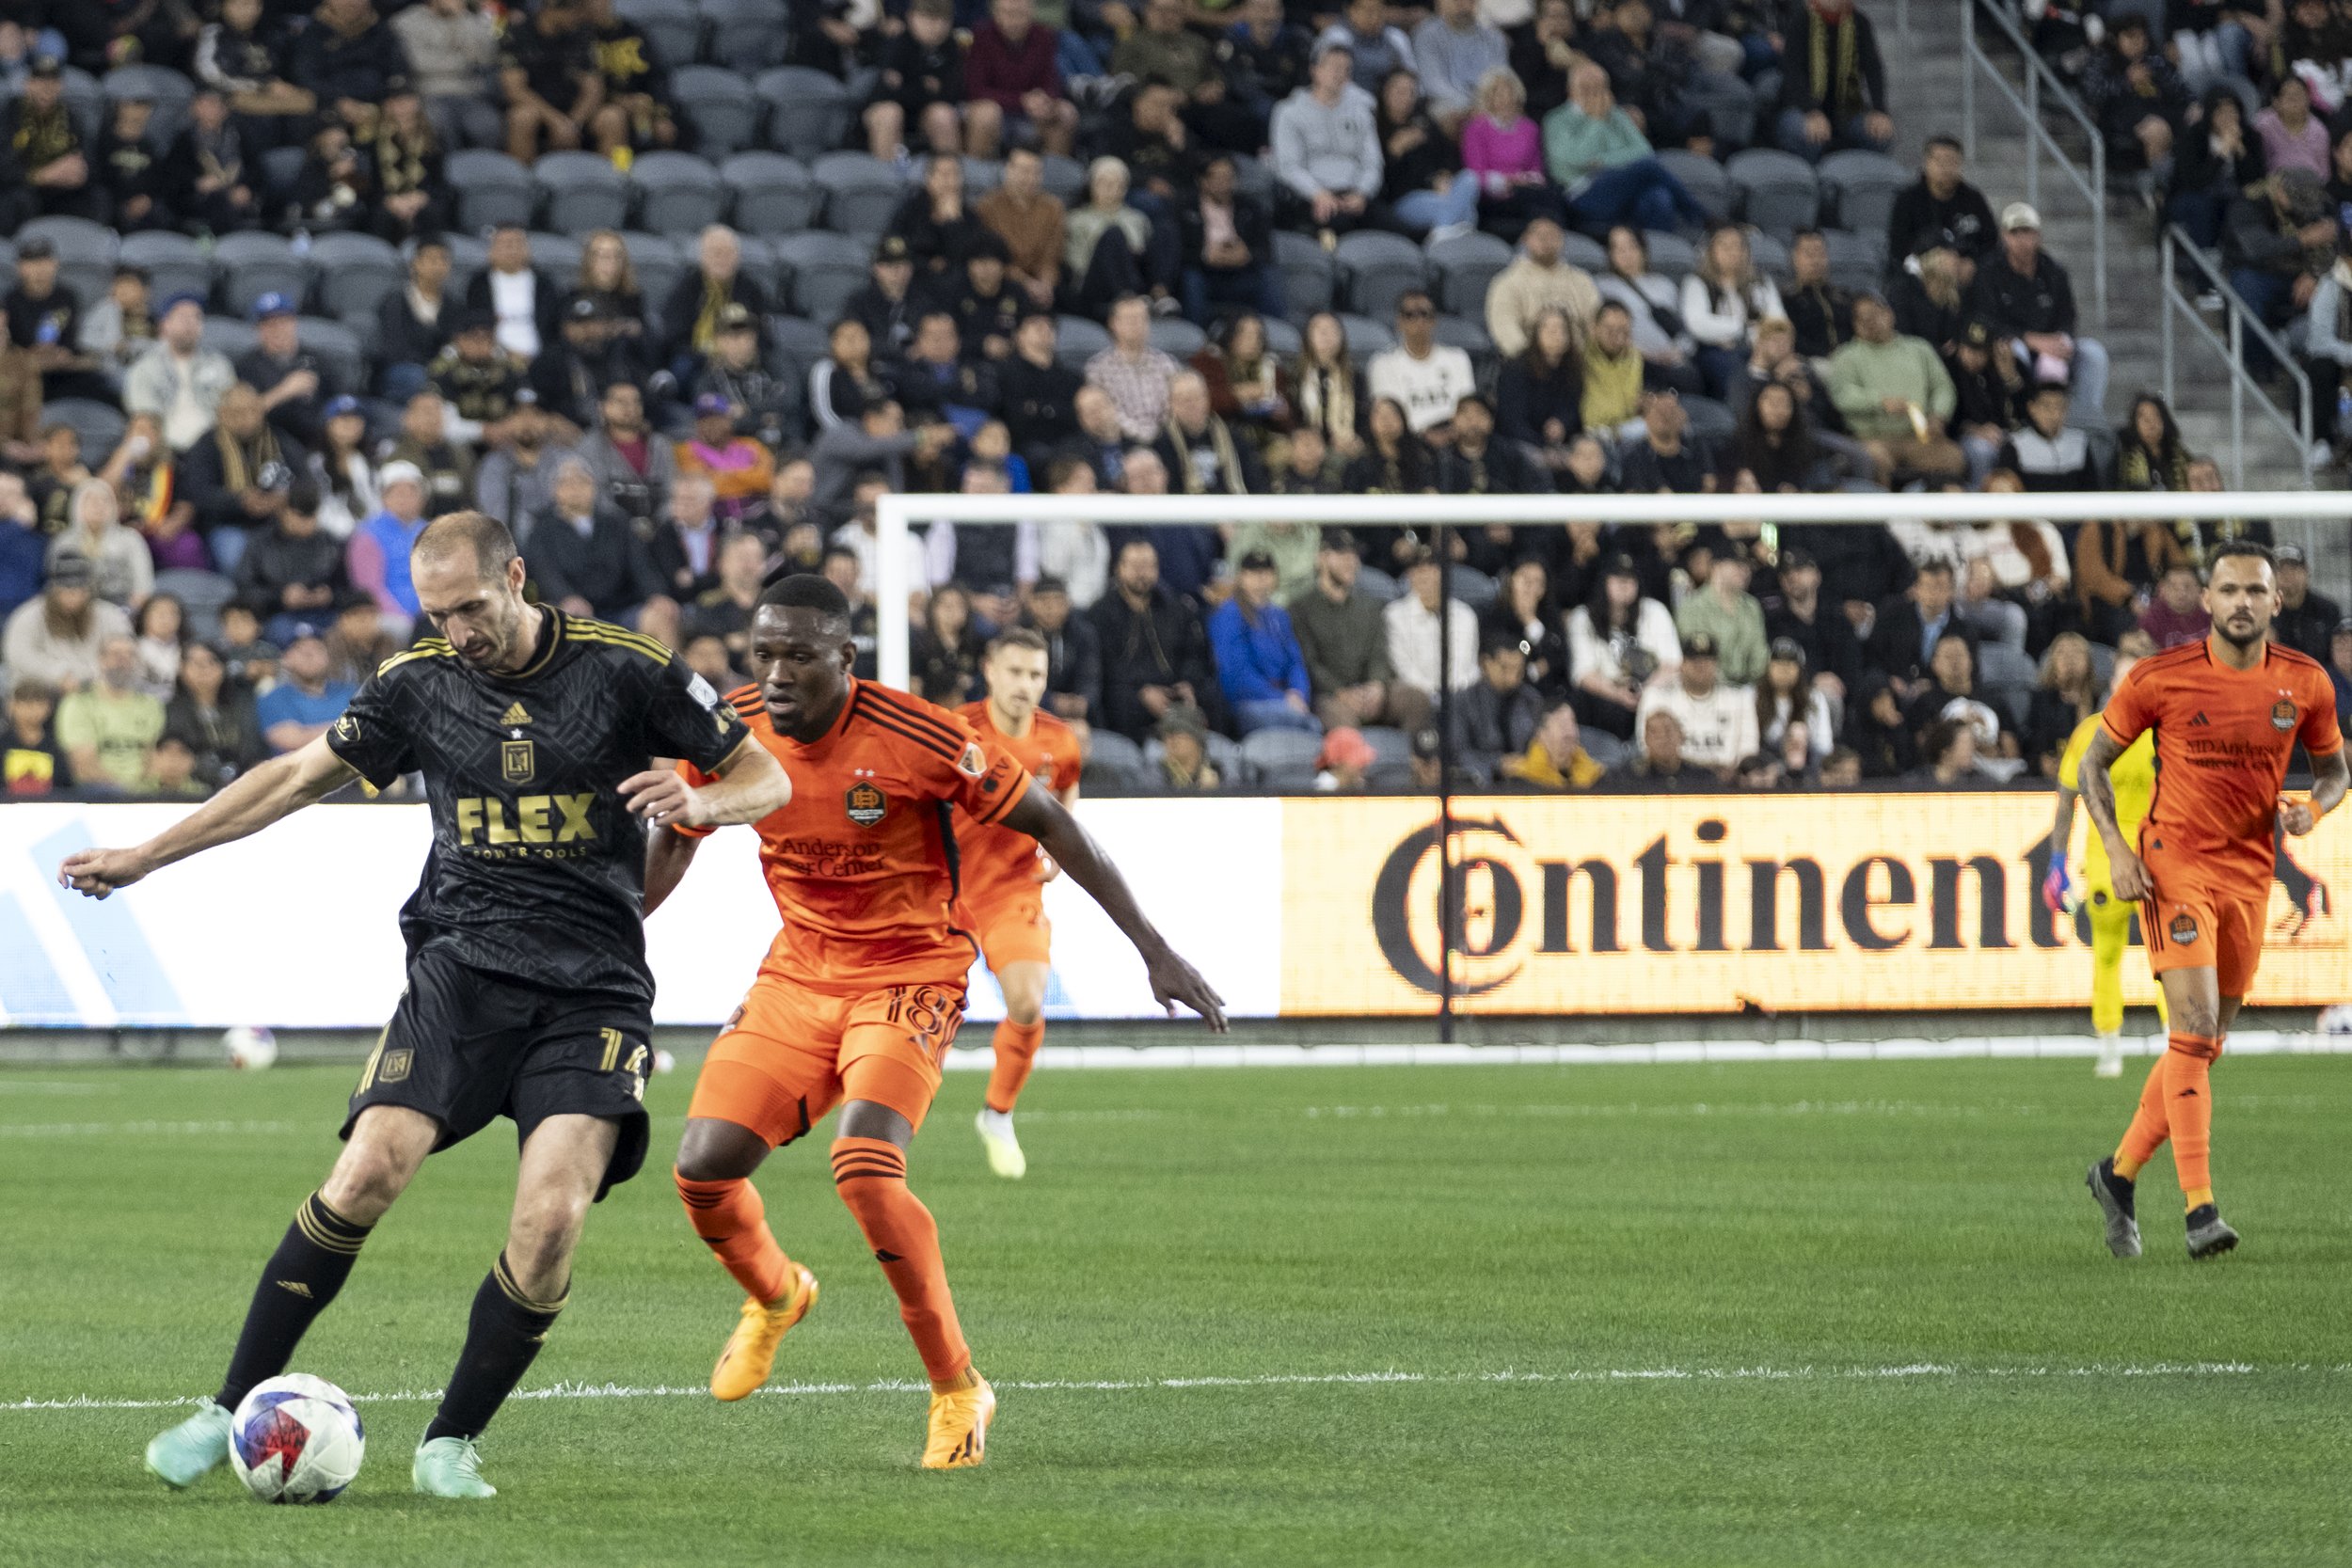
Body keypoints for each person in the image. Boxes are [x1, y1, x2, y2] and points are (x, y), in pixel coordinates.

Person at [90, 511, 789, 1499]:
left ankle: (451, 1440)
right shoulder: (418, 683)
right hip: (462, 968)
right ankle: (225, 1406)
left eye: (471, 606)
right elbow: (291, 779)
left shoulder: (626, 668)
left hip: (593, 986)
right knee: (368, 1166)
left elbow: (764, 770)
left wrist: (704, 803)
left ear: (516, 574)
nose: (458, 629)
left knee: (549, 1222)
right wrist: (143, 855)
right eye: (437, 612)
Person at [644, 574, 1221, 1467]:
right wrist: (605, 940)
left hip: (910, 970)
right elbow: (675, 841)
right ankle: (777, 1295)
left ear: (846, 659)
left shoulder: (919, 735)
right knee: (700, 1170)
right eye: (765, 654)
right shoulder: (731, 725)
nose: (779, 674)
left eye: (801, 656)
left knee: (866, 1167)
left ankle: (958, 1387)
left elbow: (1054, 824)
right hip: (799, 971)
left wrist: (1154, 947)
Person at [2080, 542, 2347, 1262]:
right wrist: (2116, 847)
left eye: (2253, 591)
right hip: (2173, 864)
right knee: (2193, 1024)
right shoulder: (2160, 677)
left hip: (2250, 874)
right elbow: (2092, 763)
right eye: (2227, 589)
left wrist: (2312, 812)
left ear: (2275, 601)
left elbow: (2334, 772)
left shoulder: (2305, 682)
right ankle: (2201, 1209)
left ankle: (2117, 1175)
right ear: (2207, 600)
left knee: (2204, 1043)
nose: (2240, 602)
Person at [946, 626, 1084, 1179]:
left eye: (1036, 674)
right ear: (990, 671)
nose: (1025, 685)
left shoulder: (1060, 741)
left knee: (1028, 1002)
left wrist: (1061, 840)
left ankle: (998, 1114)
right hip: (943, 894)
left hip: (1011, 892)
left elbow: (1066, 794)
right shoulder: (955, 730)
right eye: (1015, 672)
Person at [2044, 630, 2162, 1077]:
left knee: (2165, 953)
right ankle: (2110, 1044)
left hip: (2156, 853)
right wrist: (2057, 862)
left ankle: (2175, 1046)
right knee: (2109, 953)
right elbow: (2066, 799)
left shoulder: (2165, 732)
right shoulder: (2090, 731)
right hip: (2105, 856)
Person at [1969, 202, 2108, 419]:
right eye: (2015, 233)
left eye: (2028, 232)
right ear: (2005, 236)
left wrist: (2060, 340)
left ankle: (2085, 420)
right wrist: (2029, 339)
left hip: (2050, 342)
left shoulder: (2053, 271)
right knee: (2015, 351)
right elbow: (1986, 319)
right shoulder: (1989, 272)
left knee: (2093, 354)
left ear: (2038, 235)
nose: (2023, 240)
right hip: (2014, 342)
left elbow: (2067, 316)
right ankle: (2024, 416)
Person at [1541, 63, 1707, 233]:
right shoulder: (1556, 120)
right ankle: (1701, 217)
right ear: (1570, 90)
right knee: (1648, 169)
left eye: (1599, 87)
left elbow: (1644, 151)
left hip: (1626, 187)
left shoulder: (1617, 115)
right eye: (1586, 88)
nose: (1593, 93)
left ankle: (1660, 251)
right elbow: (1575, 159)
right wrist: (1596, 121)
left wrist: (1603, 161)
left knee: (1659, 196)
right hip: (1583, 193)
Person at [1089, 536, 1223, 739]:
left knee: (1214, 698)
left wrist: (1188, 682)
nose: (1142, 573)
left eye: (1148, 566)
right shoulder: (1101, 613)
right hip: (1130, 693)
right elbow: (1106, 666)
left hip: (1174, 690)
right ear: (1119, 568)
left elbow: (1194, 653)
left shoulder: (1176, 608)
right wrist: (1141, 692)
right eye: (1135, 566)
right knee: (1118, 703)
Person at [1825, 292, 1964, 484]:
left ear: (1890, 314)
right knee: (1876, 459)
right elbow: (1841, 395)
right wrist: (1879, 402)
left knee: (1953, 457)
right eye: (1863, 318)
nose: (1870, 321)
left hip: (1920, 436)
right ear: (1855, 324)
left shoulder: (1919, 349)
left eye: (1875, 314)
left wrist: (1938, 415)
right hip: (1872, 439)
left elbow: (1943, 387)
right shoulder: (1846, 356)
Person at [1270, 41, 1387, 239]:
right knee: (1333, 227)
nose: (1340, 74)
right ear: (1315, 70)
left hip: (1355, 195)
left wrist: (1362, 193)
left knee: (1394, 229)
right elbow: (1288, 166)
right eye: (1334, 67)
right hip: (1310, 197)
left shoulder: (1361, 111)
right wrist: (1317, 193)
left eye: (1346, 69)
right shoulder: (1289, 112)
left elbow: (1373, 162)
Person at [1209, 549, 1318, 734]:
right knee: (1309, 725)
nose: (1261, 578)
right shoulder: (1229, 614)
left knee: (1309, 723)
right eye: (1253, 572)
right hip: (1248, 702)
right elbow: (1236, 675)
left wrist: (1298, 693)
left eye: (1266, 572)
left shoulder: (1279, 615)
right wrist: (1282, 699)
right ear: (1241, 576)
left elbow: (1295, 662)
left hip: (1286, 700)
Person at [1773, 0, 1892, 160]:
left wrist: (1879, 110)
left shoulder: (1860, 22)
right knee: (1808, 135)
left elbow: (1873, 69)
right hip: (1799, 107)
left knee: (1880, 135)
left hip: (1846, 108)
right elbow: (1792, 73)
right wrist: (1812, 111)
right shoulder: (1801, 20)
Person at [1634, 630, 1756, 776]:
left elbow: (1749, 749)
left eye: (1706, 660)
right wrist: (1697, 770)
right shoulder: (1657, 696)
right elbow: (1646, 745)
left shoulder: (1739, 699)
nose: (1700, 666)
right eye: (1694, 660)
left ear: (1716, 664)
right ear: (1682, 663)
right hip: (1674, 777)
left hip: (1729, 783)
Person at [55, 633, 166, 789]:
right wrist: (125, 796)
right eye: (116, 654)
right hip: (98, 792)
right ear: (101, 660)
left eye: (130, 655)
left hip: (145, 792)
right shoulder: (78, 703)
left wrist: (140, 792)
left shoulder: (150, 705)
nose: (123, 660)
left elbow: (154, 757)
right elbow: (83, 764)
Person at [1485, 218, 1600, 359]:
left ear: (1562, 241)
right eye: (1539, 235)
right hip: (1529, 363)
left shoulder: (1581, 280)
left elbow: (1596, 322)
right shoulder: (1507, 282)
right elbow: (1505, 329)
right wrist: (1531, 359)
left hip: (1578, 362)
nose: (1545, 241)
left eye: (1552, 235)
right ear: (1525, 240)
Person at [1368, 292, 1475, 437]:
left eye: (1425, 314)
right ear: (1399, 322)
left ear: (1434, 321)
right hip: (1408, 442)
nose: (1419, 320)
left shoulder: (1458, 358)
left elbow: (1467, 408)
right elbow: (1389, 415)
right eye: (1410, 314)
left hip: (1454, 438)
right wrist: (1424, 436)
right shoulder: (1383, 364)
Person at [1383, 550, 1480, 702]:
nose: (1427, 576)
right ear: (1410, 575)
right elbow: (1403, 669)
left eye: (1433, 569)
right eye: (1420, 571)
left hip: (1461, 699)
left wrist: (1453, 697)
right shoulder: (1394, 615)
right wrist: (1435, 696)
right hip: (1419, 699)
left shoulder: (1465, 614)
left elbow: (1468, 667)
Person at [1888, 135, 2000, 265]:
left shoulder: (1973, 199)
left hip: (1966, 274)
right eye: (1939, 161)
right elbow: (1898, 247)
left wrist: (1971, 263)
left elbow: (1990, 242)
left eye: (1952, 162)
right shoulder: (1907, 199)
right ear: (1927, 163)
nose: (1945, 168)